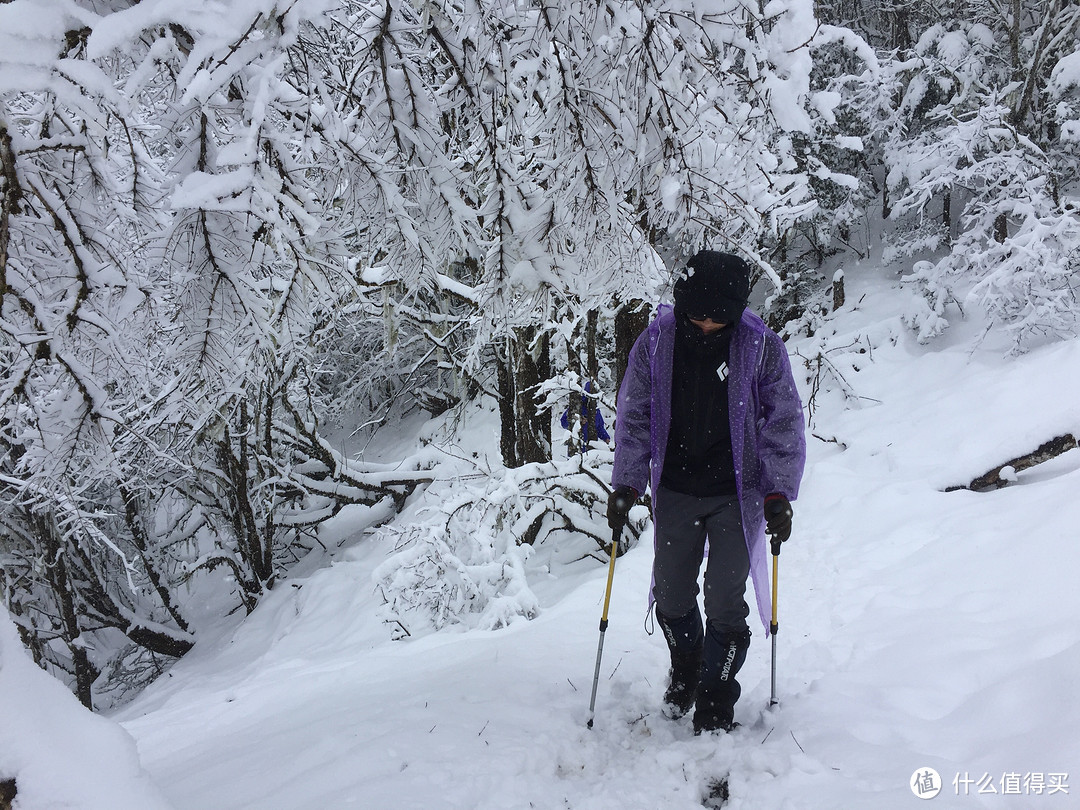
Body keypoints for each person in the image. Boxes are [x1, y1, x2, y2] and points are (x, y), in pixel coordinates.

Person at [606, 250, 806, 735]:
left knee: (723, 600)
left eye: (719, 315)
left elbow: (782, 422)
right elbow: (634, 417)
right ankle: (688, 667)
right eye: (698, 312)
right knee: (671, 596)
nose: (707, 322)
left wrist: (778, 493)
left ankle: (717, 695)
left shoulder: (761, 348)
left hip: (737, 495)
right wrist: (627, 482)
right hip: (675, 487)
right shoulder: (656, 344)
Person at [560, 380, 610, 450]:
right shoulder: (577, 406)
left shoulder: (596, 411)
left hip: (592, 448)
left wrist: (606, 438)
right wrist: (578, 421)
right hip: (577, 448)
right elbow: (563, 422)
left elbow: (599, 428)